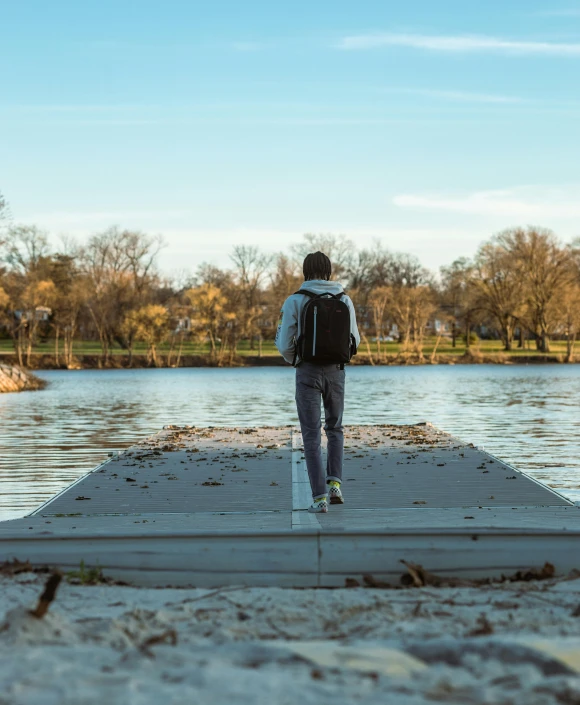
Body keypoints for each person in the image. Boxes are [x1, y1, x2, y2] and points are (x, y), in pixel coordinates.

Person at [275, 251, 360, 513]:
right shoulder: (344, 299)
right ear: (329, 271)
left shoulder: (295, 300)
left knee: (311, 435)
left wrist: (297, 360)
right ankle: (335, 484)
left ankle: (319, 499)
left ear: (305, 271)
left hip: (307, 372)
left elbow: (284, 343)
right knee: (335, 429)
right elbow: (354, 341)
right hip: (336, 371)